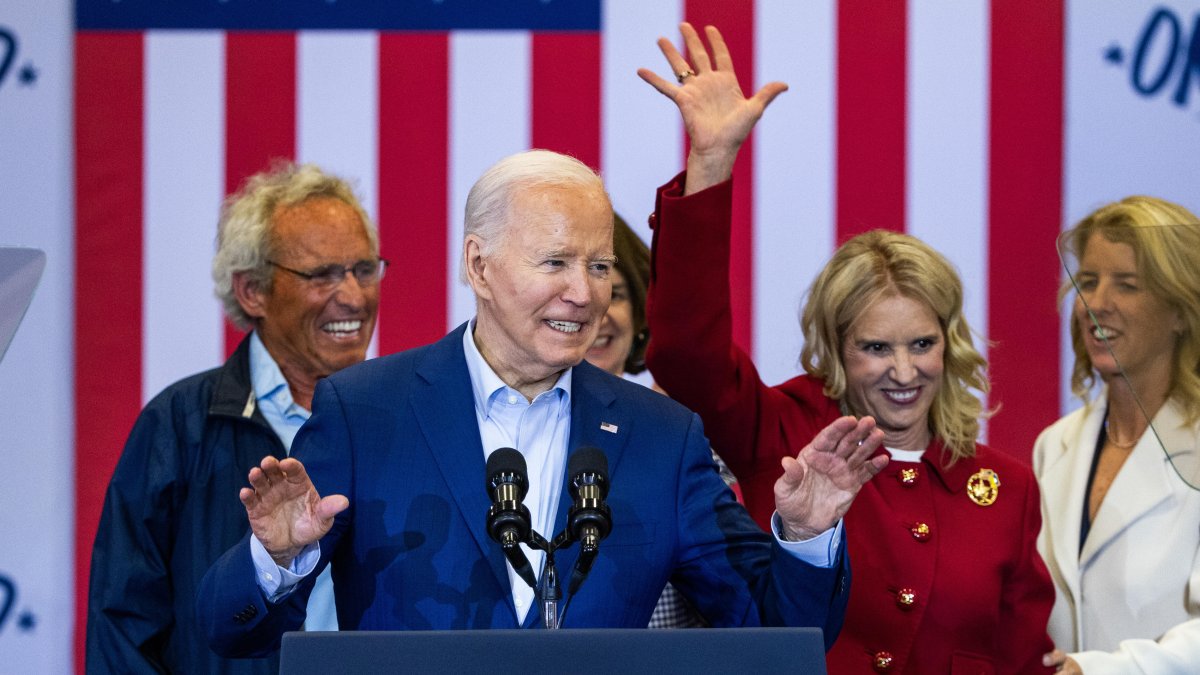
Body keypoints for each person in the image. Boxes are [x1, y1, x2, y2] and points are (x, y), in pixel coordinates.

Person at [196, 148, 887, 658]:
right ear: (479, 265)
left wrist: (804, 535)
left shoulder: (661, 437)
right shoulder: (364, 411)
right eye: (555, 262)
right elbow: (231, 629)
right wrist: (274, 558)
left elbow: (779, 635)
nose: (583, 294)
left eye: (598, 266)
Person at [638, 23, 1056, 673]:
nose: (903, 369)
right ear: (833, 347)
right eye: (874, 347)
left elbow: (1023, 659)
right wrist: (711, 164)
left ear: (951, 342)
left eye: (922, 342)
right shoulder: (779, 431)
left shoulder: (1006, 488)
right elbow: (686, 351)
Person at [86, 162, 383, 674]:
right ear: (253, 291)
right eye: (323, 275)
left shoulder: (400, 415)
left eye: (364, 269)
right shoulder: (178, 427)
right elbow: (122, 627)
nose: (354, 296)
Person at [1035, 196, 1200, 674]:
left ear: (1182, 311)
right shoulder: (1055, 444)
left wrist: (1093, 670)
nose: (1096, 304)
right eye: (1088, 282)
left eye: (1126, 285)